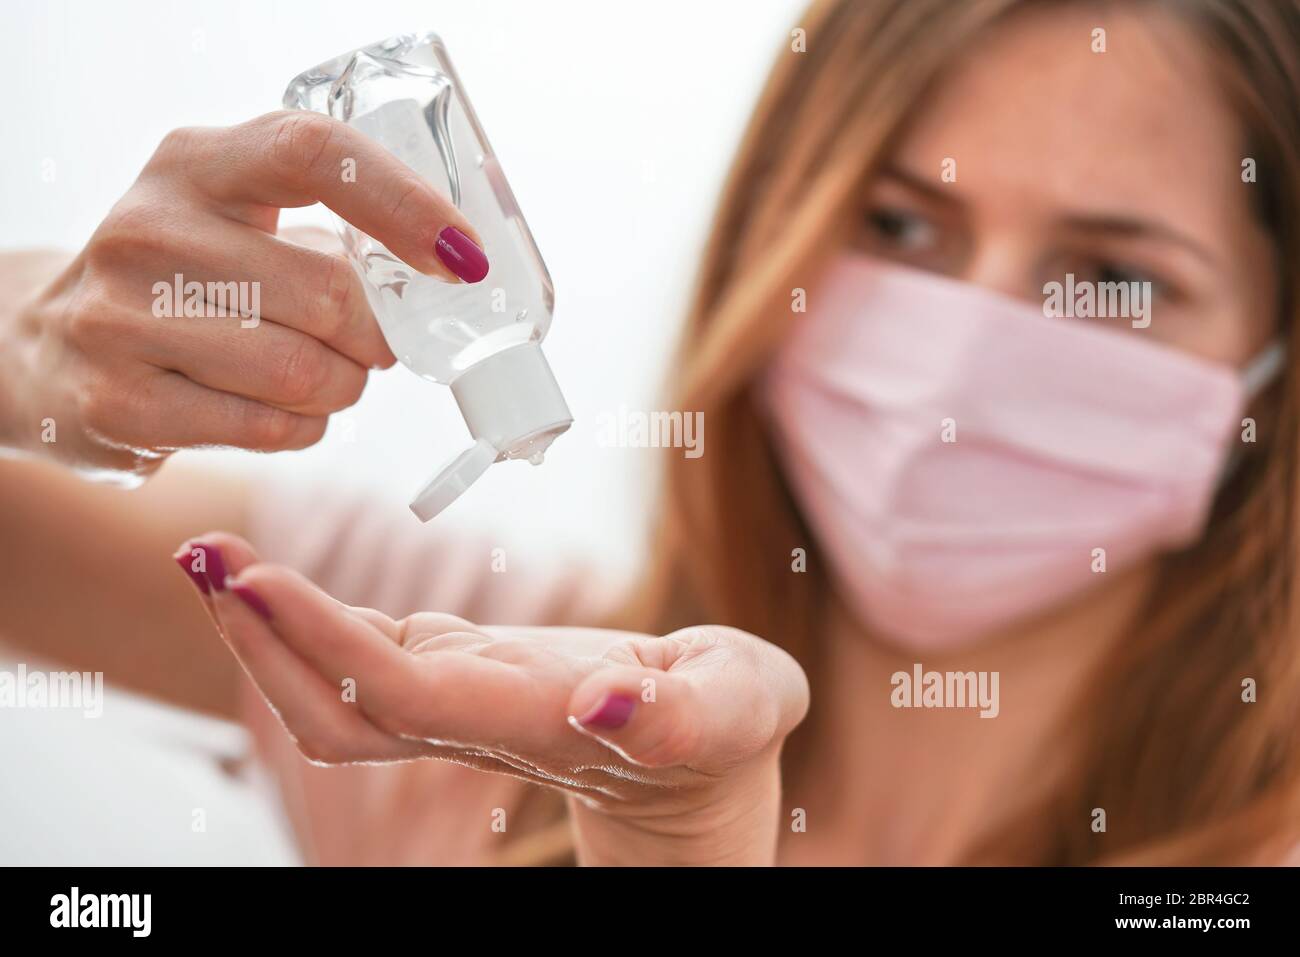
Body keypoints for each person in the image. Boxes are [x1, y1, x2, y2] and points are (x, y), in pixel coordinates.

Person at [1, 0, 1297, 865]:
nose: (958, 354)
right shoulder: (459, 683)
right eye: (900, 228)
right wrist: (37, 356)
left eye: (1111, 282)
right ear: (770, 244)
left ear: (1268, 371)